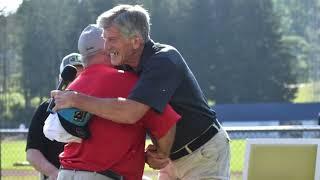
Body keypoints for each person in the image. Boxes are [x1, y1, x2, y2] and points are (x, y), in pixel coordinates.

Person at [52, 4, 230, 180]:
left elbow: (130, 113)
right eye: (105, 39)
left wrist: (76, 99)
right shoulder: (125, 63)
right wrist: (161, 152)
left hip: (203, 153)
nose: (106, 47)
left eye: (112, 39)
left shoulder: (164, 60)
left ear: (136, 41)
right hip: (173, 159)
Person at [56, 24, 180, 180]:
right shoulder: (127, 81)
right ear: (107, 48)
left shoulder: (73, 85)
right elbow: (166, 122)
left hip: (65, 173)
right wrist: (160, 154)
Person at [26, 53, 84, 180]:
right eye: (72, 77)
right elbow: (32, 152)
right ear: (61, 79)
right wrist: (55, 173)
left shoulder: (94, 107)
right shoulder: (46, 108)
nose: (76, 81)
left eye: (81, 77)